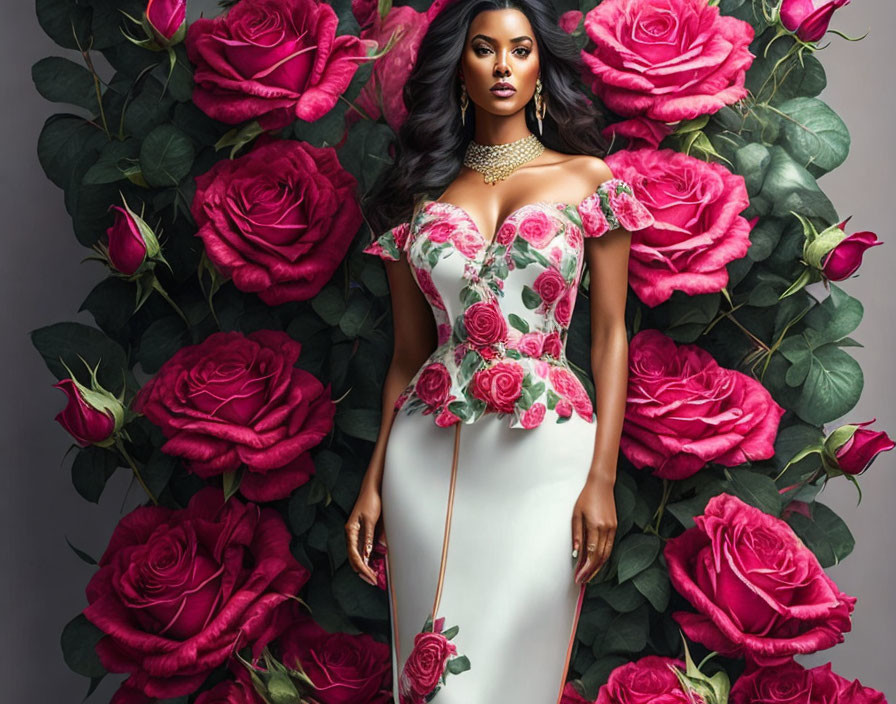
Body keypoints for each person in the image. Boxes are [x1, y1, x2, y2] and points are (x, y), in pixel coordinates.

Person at [345, 0, 655, 701]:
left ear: (541, 65)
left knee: (512, 668)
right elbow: (407, 357)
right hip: (423, 462)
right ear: (460, 68)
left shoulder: (587, 181)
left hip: (547, 460)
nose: (503, 66)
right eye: (484, 49)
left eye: (519, 49)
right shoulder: (418, 200)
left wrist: (601, 479)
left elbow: (610, 335)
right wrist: (372, 482)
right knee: (434, 683)